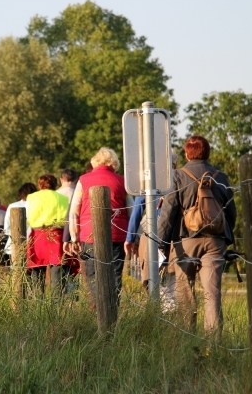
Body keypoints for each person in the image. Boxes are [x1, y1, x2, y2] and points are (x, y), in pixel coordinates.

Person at [157, 135, 236, 339]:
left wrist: (161, 243)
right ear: (208, 152)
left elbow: (168, 213)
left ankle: (186, 340)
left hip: (186, 241)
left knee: (185, 292)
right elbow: (231, 213)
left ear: (186, 154)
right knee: (212, 294)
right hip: (216, 241)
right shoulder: (221, 177)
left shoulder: (178, 177)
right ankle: (214, 343)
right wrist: (226, 236)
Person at [69, 148, 129, 310]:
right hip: (117, 234)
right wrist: (131, 237)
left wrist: (74, 238)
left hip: (89, 234)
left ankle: (98, 308)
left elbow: (74, 210)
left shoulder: (84, 180)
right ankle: (112, 309)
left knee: (92, 274)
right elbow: (129, 209)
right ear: (114, 163)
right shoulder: (123, 181)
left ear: (95, 162)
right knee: (115, 274)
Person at [125, 148, 178, 311]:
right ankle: (171, 311)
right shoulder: (181, 180)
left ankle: (157, 312)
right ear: (174, 164)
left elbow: (137, 212)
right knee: (172, 279)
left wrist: (130, 238)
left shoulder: (148, 182)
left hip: (151, 235)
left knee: (151, 278)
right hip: (176, 236)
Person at [26, 174, 69, 296]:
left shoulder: (31, 197)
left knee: (37, 273)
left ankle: (38, 302)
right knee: (57, 274)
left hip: (37, 236)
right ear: (55, 184)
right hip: (56, 236)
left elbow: (27, 218)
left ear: (39, 184)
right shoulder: (63, 198)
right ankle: (57, 305)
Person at [4, 182, 37, 257]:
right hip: (33, 245)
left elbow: (6, 228)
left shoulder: (12, 206)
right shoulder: (38, 206)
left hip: (14, 246)